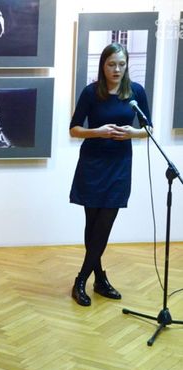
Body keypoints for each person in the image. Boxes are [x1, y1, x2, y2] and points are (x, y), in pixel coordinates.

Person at [69, 42, 152, 306]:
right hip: (92, 164)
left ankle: (81, 279)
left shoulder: (136, 92)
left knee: (104, 224)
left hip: (119, 166)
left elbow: (148, 129)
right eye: (111, 64)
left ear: (127, 65)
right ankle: (99, 279)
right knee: (92, 224)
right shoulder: (91, 92)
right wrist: (98, 132)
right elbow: (74, 129)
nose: (116, 69)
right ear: (103, 66)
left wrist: (132, 133)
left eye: (121, 64)